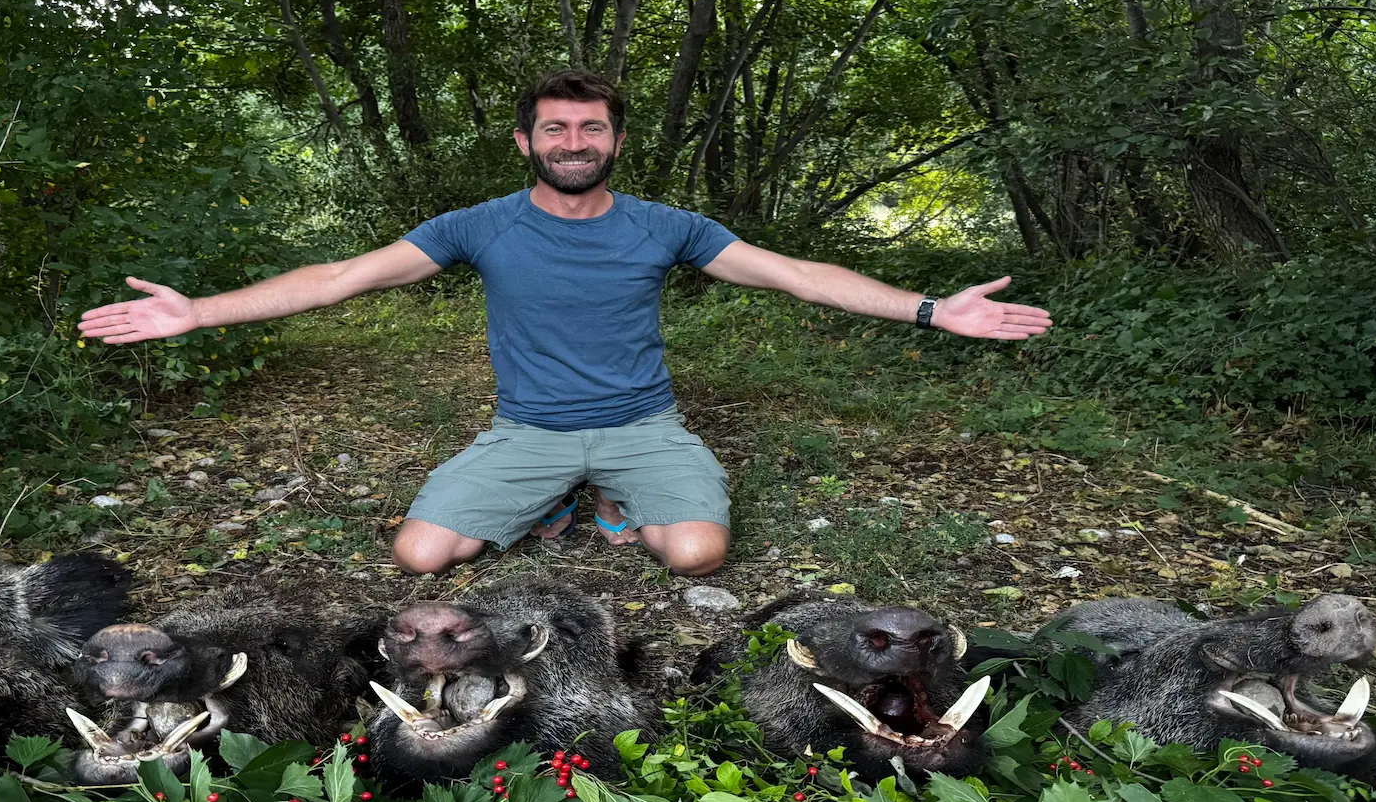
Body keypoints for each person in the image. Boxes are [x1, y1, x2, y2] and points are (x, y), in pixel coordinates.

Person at [79, 70, 1052, 578]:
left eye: (592, 130)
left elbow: (796, 274)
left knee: (696, 555)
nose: (574, 143)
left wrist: (931, 307)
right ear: (526, 140)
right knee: (419, 557)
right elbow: (339, 279)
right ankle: (551, 498)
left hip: (643, 424)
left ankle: (619, 500)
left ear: (616, 141)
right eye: (556, 128)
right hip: (528, 430)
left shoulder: (669, 227)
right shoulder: (478, 226)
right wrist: (196, 311)